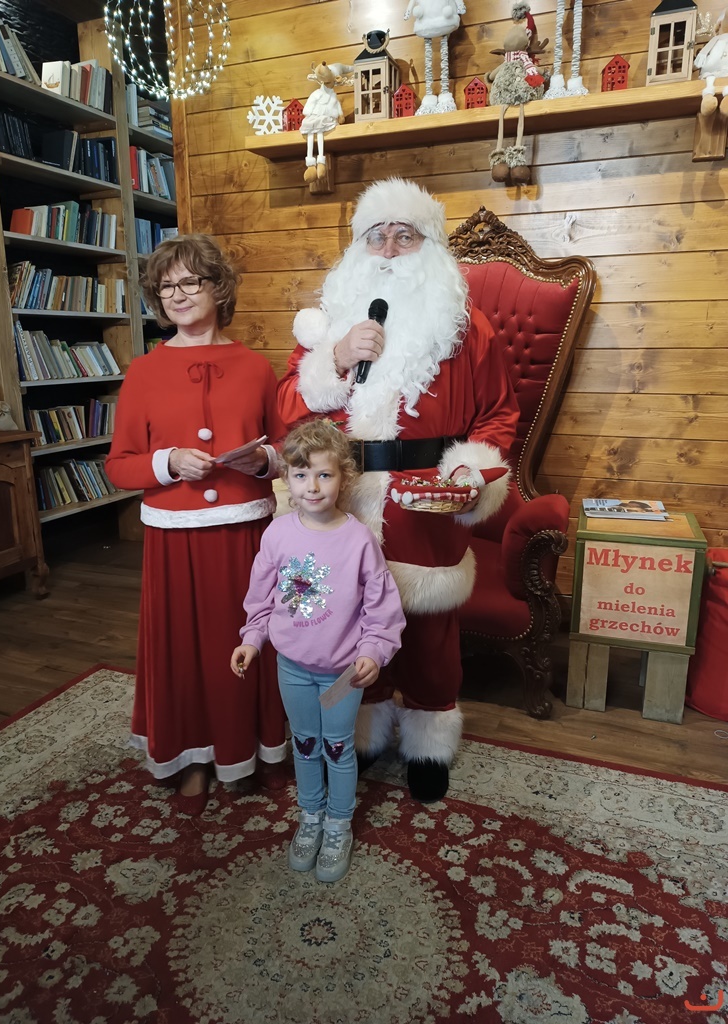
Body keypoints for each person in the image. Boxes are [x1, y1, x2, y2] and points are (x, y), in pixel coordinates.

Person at [277, 177, 520, 803]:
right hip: (344, 497)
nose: (388, 249)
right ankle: (364, 725)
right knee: (349, 619)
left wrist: (470, 473)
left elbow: (497, 415)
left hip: (425, 496)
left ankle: (428, 739)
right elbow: (287, 409)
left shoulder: (467, 328)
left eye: (404, 236)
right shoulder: (328, 326)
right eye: (376, 236)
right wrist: (335, 357)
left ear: (430, 245)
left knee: (429, 630)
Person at [105, 234, 287, 815]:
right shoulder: (142, 372)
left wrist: (265, 461)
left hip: (244, 536)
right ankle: (192, 758)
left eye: (191, 281)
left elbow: (284, 448)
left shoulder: (257, 368)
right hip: (174, 540)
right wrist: (168, 462)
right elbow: (119, 466)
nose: (178, 294)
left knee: (245, 641)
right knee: (184, 651)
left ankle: (247, 749)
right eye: (166, 287)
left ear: (218, 287)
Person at [230, 420, 405, 882]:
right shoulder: (277, 535)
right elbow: (261, 600)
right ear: (287, 479)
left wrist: (374, 651)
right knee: (305, 745)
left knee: (337, 746)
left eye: (324, 475)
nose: (312, 486)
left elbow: (382, 608)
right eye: (302, 474)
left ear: (343, 478)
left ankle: (338, 824)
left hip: (343, 673)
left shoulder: (360, 540)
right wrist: (251, 640)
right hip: (292, 668)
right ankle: (311, 816)